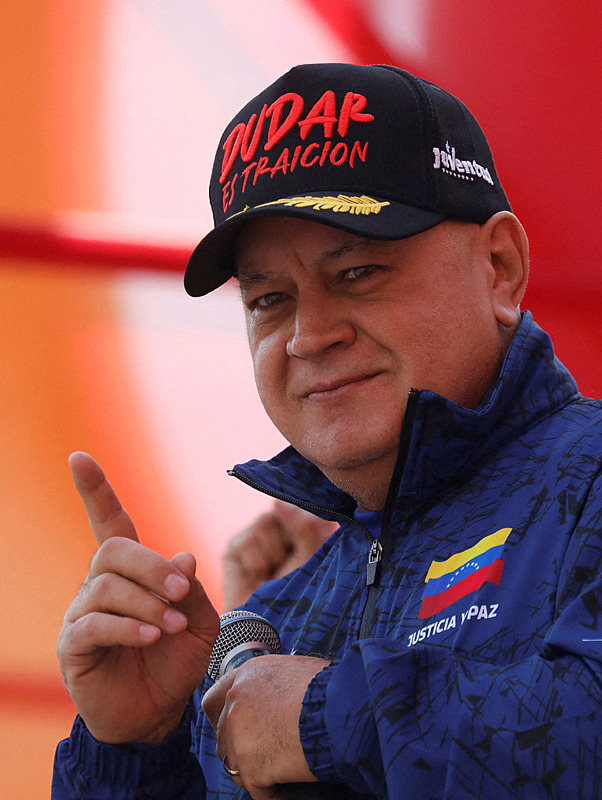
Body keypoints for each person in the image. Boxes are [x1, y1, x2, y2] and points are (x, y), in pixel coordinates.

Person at [52, 63, 602, 800]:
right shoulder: (270, 624)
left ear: (499, 268)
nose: (308, 336)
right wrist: (137, 751)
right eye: (269, 300)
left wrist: (327, 719)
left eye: (358, 273)